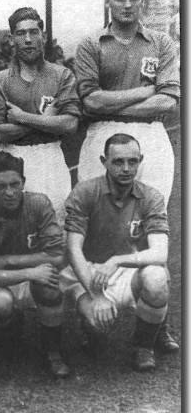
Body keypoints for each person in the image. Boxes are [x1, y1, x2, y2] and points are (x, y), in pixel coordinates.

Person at [61, 134, 177, 371]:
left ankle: (144, 345)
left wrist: (117, 260)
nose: (126, 168)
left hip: (128, 270)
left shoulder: (151, 196)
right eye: (118, 161)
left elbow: (160, 253)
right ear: (104, 161)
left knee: (156, 278)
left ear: (140, 160)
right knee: (97, 325)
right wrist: (97, 295)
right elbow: (73, 250)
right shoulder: (85, 192)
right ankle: (89, 331)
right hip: (90, 269)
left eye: (133, 162)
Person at [75, 0, 179, 205]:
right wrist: (144, 91)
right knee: (100, 218)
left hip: (151, 133)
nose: (128, 4)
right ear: (108, 1)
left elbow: (168, 102)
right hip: (102, 134)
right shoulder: (91, 44)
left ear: (142, 0)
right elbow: (90, 102)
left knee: (149, 217)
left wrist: (107, 106)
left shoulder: (161, 42)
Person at [0, 151, 70, 378]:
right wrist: (30, 271)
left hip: (29, 274)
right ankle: (6, 340)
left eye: (15, 184)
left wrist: (10, 260)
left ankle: (52, 352)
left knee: (49, 287)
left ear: (23, 182)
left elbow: (58, 256)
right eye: (1, 187)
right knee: (0, 302)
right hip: (6, 282)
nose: (9, 192)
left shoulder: (39, 204)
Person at [0, 8, 80, 224]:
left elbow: (69, 124)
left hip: (50, 158)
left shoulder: (62, 75)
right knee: (12, 231)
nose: (28, 39)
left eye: (33, 32)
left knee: (54, 227)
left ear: (43, 35)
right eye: (21, 34)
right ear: (12, 39)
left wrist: (23, 117)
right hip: (11, 159)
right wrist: (47, 120)